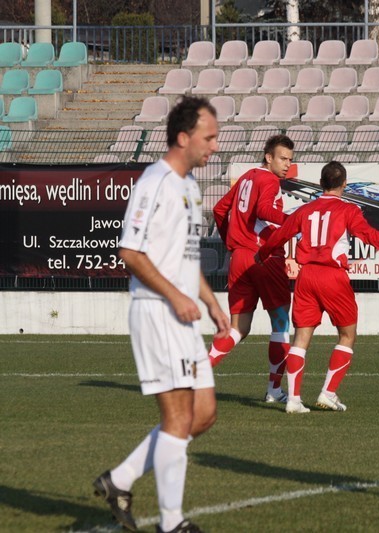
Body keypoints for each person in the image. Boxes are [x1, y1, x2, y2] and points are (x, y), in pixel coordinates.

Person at [93, 96, 230, 533]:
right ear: (183, 137)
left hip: (185, 313)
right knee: (177, 419)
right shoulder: (155, 181)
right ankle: (172, 523)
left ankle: (120, 479)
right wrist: (174, 295)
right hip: (157, 311)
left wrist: (208, 298)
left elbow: (185, 259)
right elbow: (130, 253)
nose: (215, 146)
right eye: (209, 138)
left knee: (203, 414)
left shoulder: (190, 186)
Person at [255, 161, 379, 414]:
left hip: (306, 276)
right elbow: (371, 237)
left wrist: (262, 254)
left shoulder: (305, 210)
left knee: (300, 338)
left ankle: (293, 399)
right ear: (344, 184)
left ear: (321, 184)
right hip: (333, 276)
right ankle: (328, 393)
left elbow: (280, 235)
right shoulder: (349, 210)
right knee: (347, 335)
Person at [208, 134, 294, 403]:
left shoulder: (247, 176)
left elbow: (219, 209)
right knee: (280, 323)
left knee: (238, 329)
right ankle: (274, 391)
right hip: (265, 257)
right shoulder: (269, 180)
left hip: (240, 258)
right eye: (282, 158)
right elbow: (266, 211)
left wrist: (231, 242)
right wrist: (293, 220)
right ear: (268, 157)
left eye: (290, 160)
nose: (287, 165)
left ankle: (195, 375)